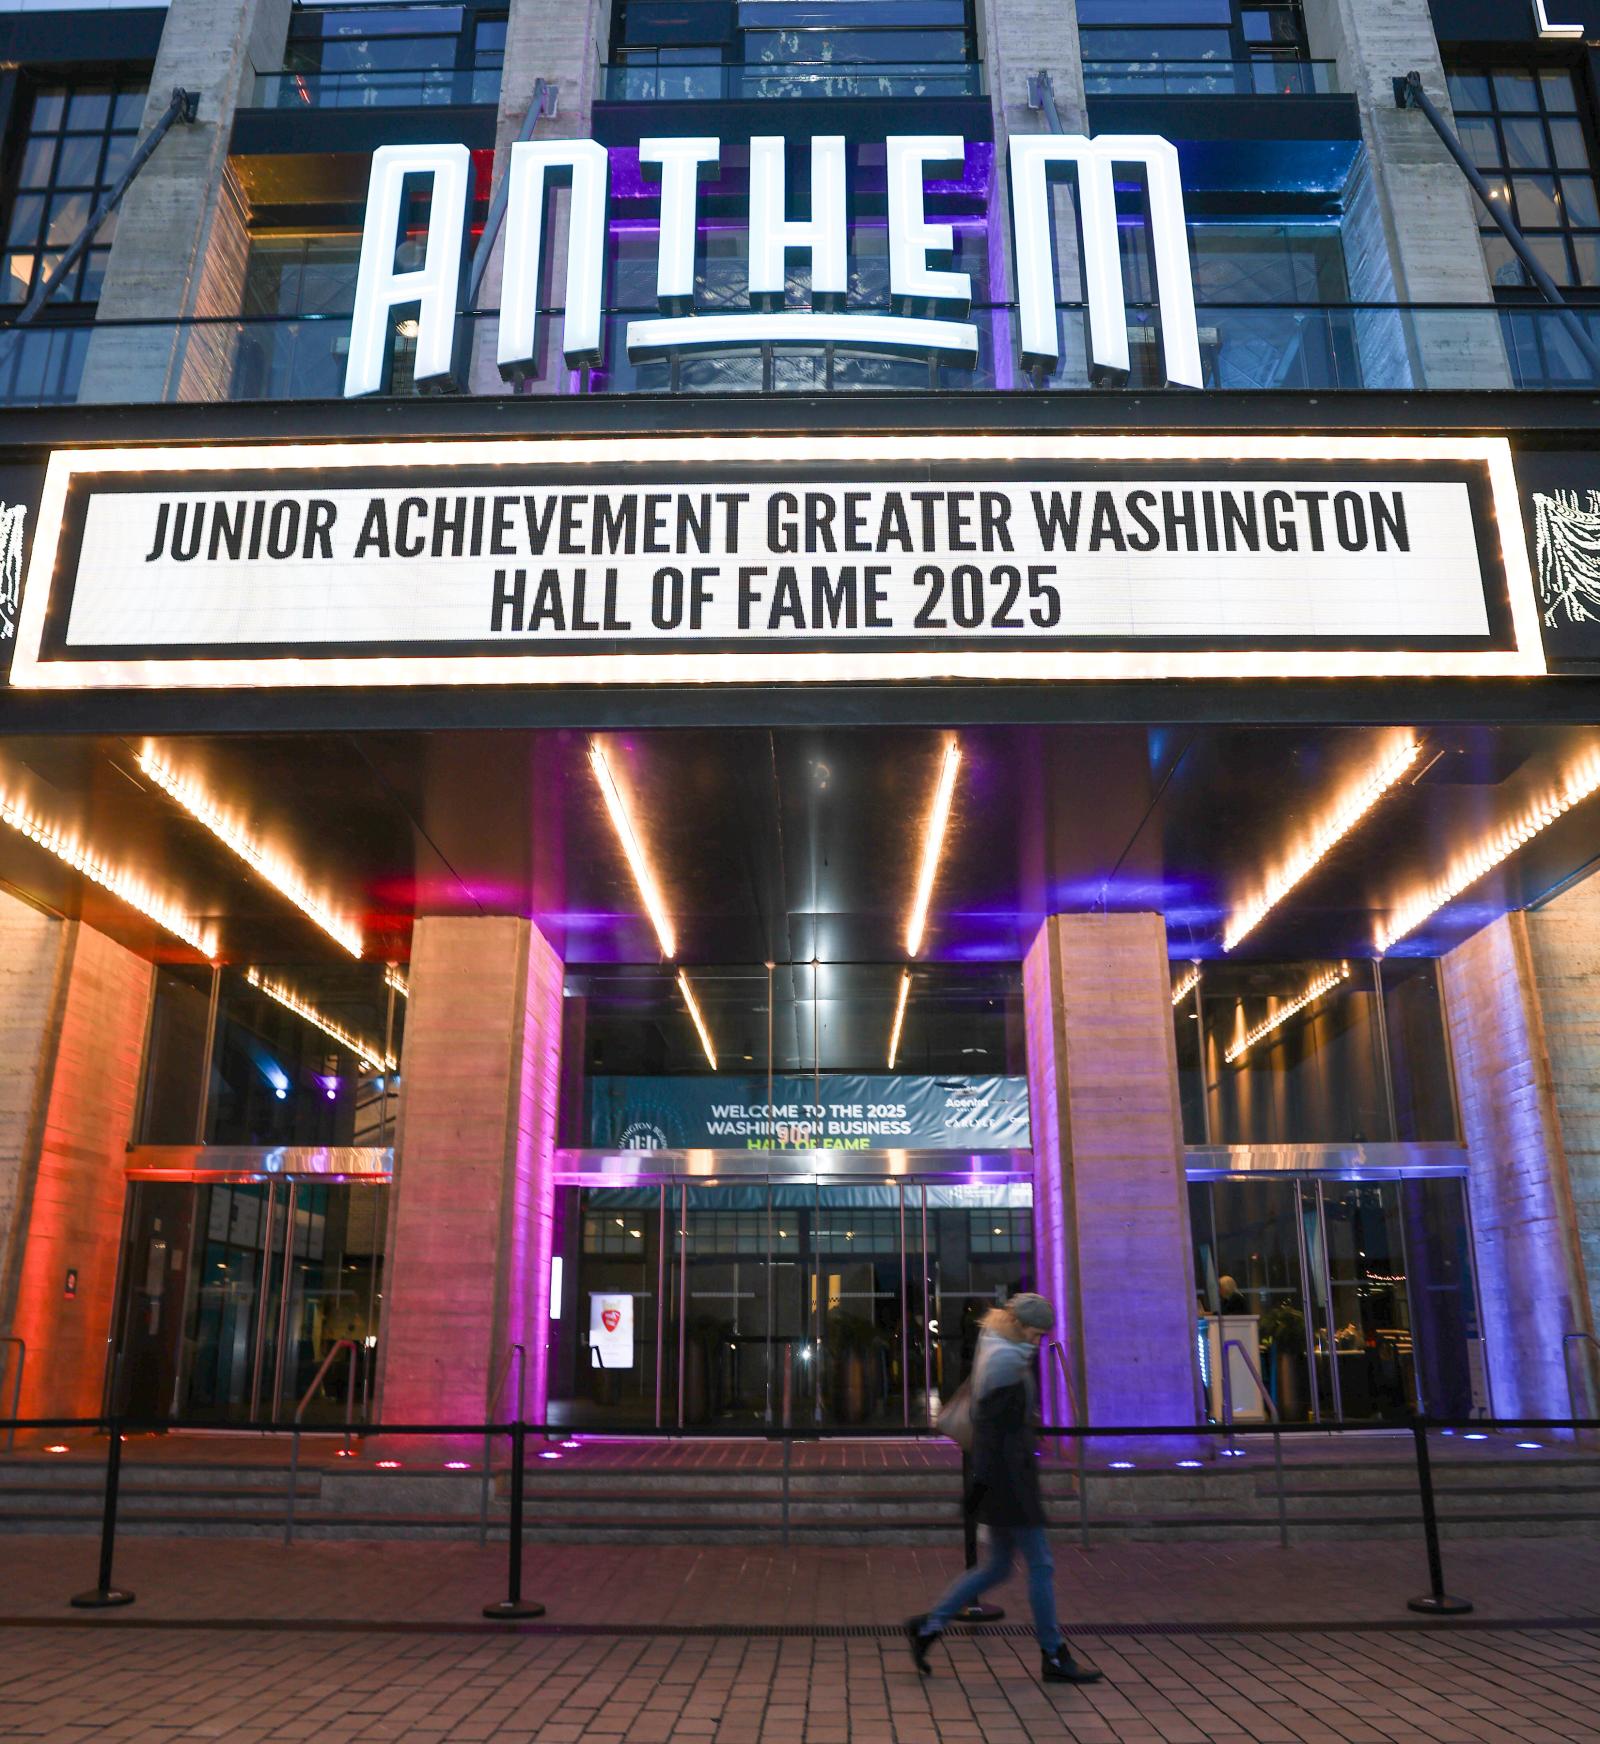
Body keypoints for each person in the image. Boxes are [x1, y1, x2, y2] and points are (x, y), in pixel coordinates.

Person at [905, 1292, 1102, 1686]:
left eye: (1041, 1336)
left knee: (996, 1566)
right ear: (1017, 1325)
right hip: (1009, 1482)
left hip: (1005, 1478)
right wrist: (981, 1486)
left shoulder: (998, 1349)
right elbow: (992, 1435)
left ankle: (929, 1627)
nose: (1036, 1342)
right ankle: (1053, 1654)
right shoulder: (1005, 1366)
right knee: (1041, 1565)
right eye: (1033, 1333)